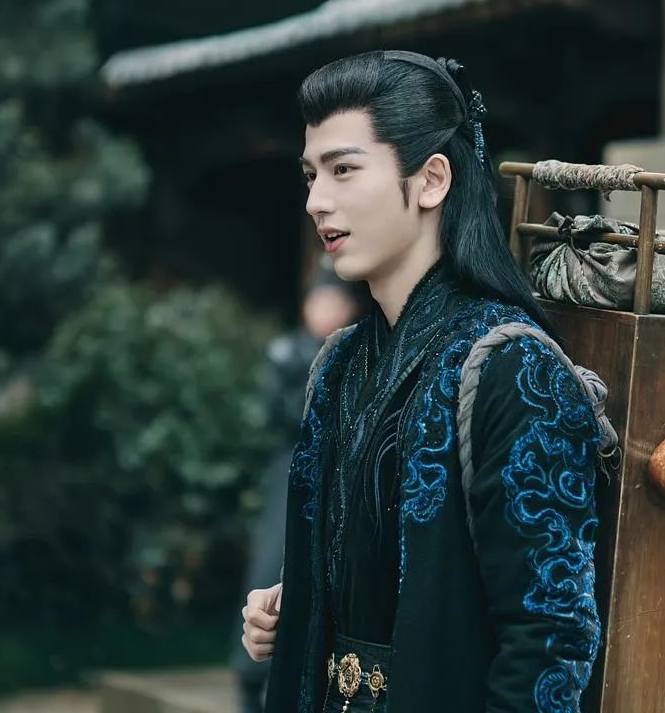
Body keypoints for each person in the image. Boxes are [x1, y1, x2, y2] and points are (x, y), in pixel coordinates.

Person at [241, 50, 601, 713]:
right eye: (311, 175)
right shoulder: (339, 364)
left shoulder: (515, 370)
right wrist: (298, 603)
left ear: (431, 180)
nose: (317, 201)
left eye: (344, 169)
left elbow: (551, 640)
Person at [233, 259, 365, 713]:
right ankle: (250, 675)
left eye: (335, 301)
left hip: (333, 468)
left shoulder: (354, 354)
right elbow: (278, 412)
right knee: (270, 566)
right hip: (289, 466)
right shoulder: (287, 352)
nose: (326, 310)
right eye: (320, 300)